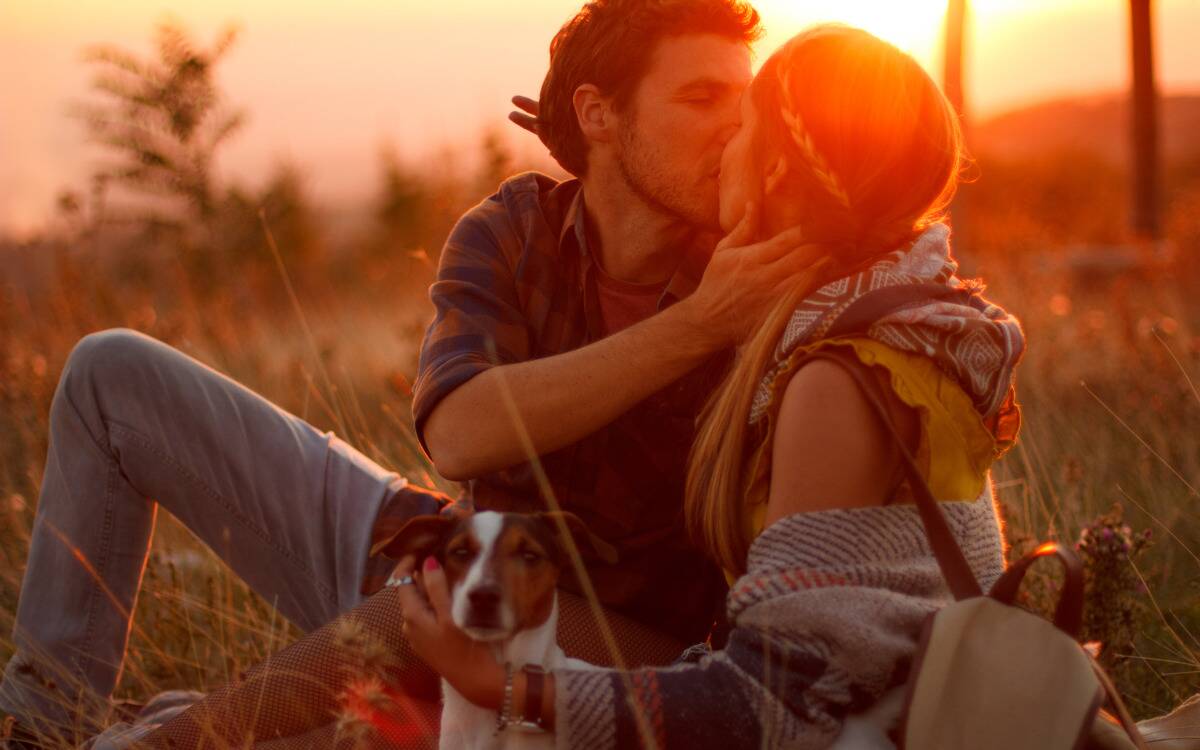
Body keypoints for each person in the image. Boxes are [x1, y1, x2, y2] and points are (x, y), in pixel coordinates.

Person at [0, 0, 816, 746]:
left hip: (614, 639)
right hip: (449, 555)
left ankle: (170, 736)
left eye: (742, 106)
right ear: (598, 113)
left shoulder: (756, 271)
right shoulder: (514, 231)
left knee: (398, 627)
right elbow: (459, 435)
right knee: (112, 374)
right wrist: (698, 325)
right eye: (701, 99)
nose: (733, 129)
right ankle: (39, 727)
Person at [387, 23, 1028, 748]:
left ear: (780, 172)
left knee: (413, 626)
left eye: (744, 122)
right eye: (705, 104)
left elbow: (765, 707)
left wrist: (500, 688)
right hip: (853, 708)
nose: (726, 140)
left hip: (849, 725)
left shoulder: (837, 377)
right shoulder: (894, 322)